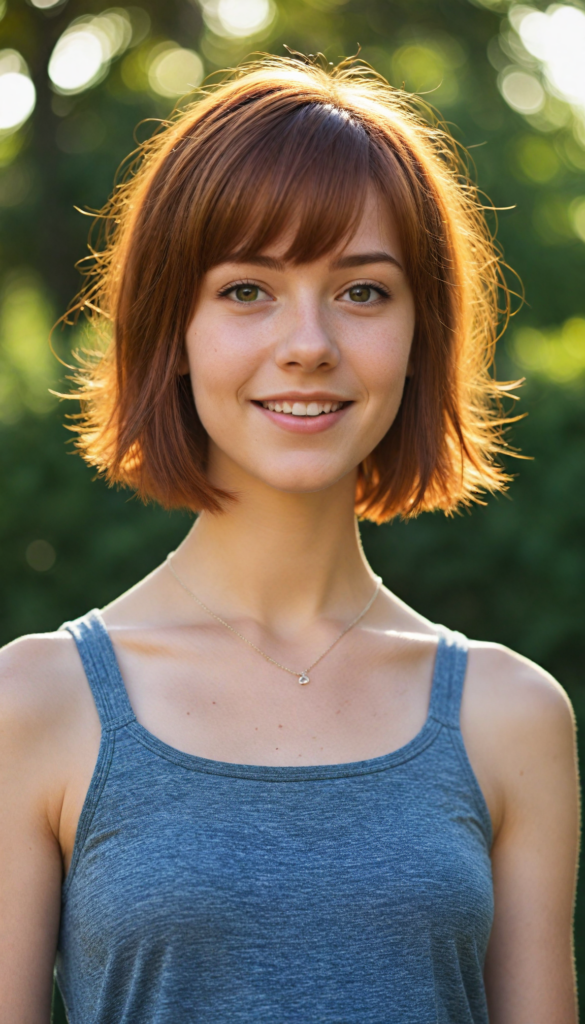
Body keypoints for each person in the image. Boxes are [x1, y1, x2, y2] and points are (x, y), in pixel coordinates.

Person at [0, 55, 579, 1024]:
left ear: (420, 333)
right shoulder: (35, 703)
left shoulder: (510, 714)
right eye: (246, 290)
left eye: (362, 291)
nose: (308, 341)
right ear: (169, 329)